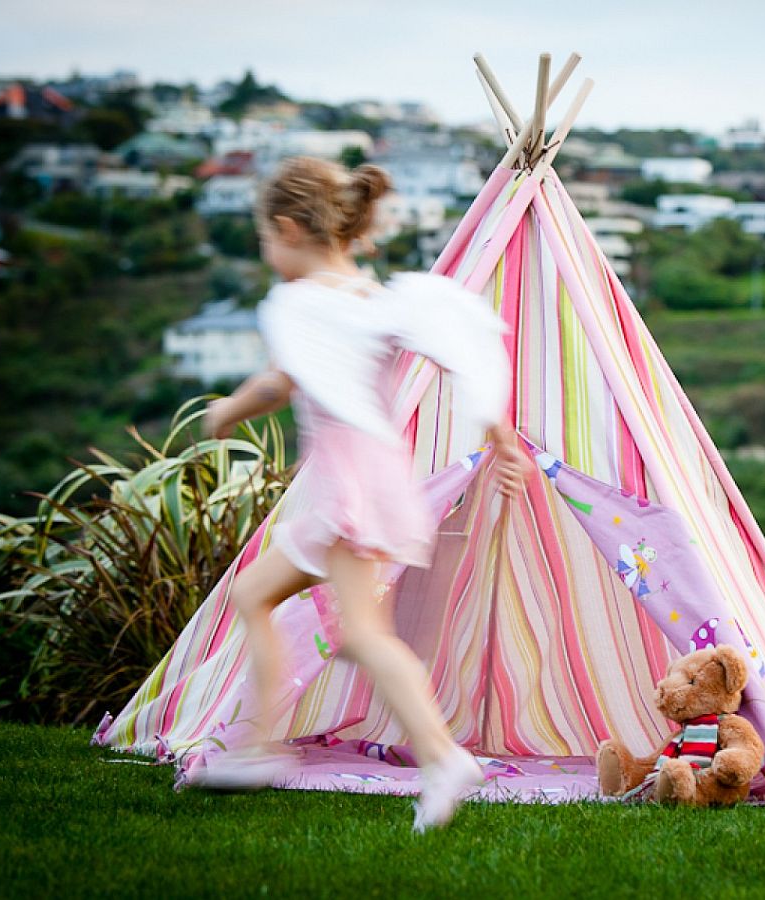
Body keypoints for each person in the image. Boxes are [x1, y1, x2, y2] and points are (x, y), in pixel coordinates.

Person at [199, 156, 530, 832]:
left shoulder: (303, 306)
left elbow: (275, 386)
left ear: (289, 229)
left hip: (347, 485)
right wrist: (502, 440)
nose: (268, 254)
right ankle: (256, 745)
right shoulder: (379, 302)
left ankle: (442, 757)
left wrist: (226, 412)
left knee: (361, 633)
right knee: (253, 594)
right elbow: (460, 357)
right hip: (368, 480)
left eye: (266, 239)